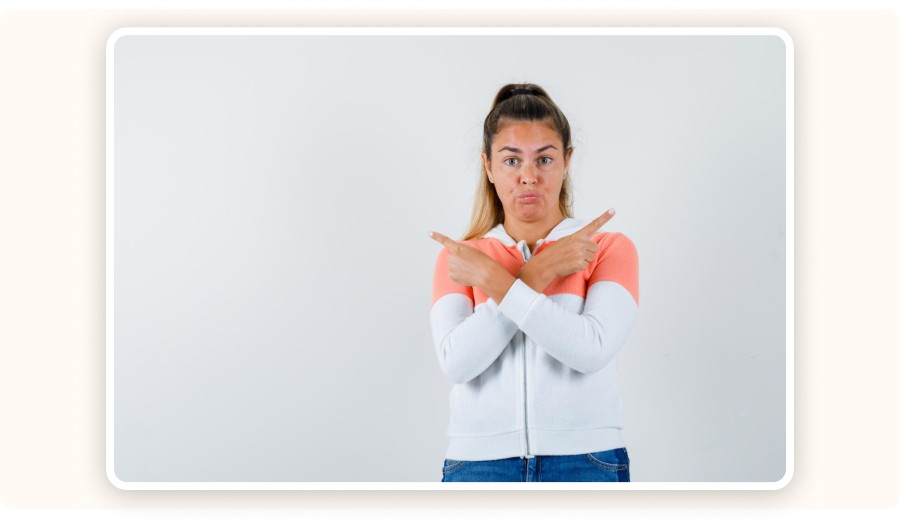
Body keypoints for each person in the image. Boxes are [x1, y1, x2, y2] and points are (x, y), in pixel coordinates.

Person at [428, 83, 640, 483]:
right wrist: (537, 274)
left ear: (566, 161)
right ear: (488, 166)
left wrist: (501, 285)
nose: (528, 176)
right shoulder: (461, 260)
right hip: (478, 465)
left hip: (585, 460)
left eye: (544, 159)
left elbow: (590, 351)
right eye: (511, 161)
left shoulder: (608, 248)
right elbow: (458, 363)